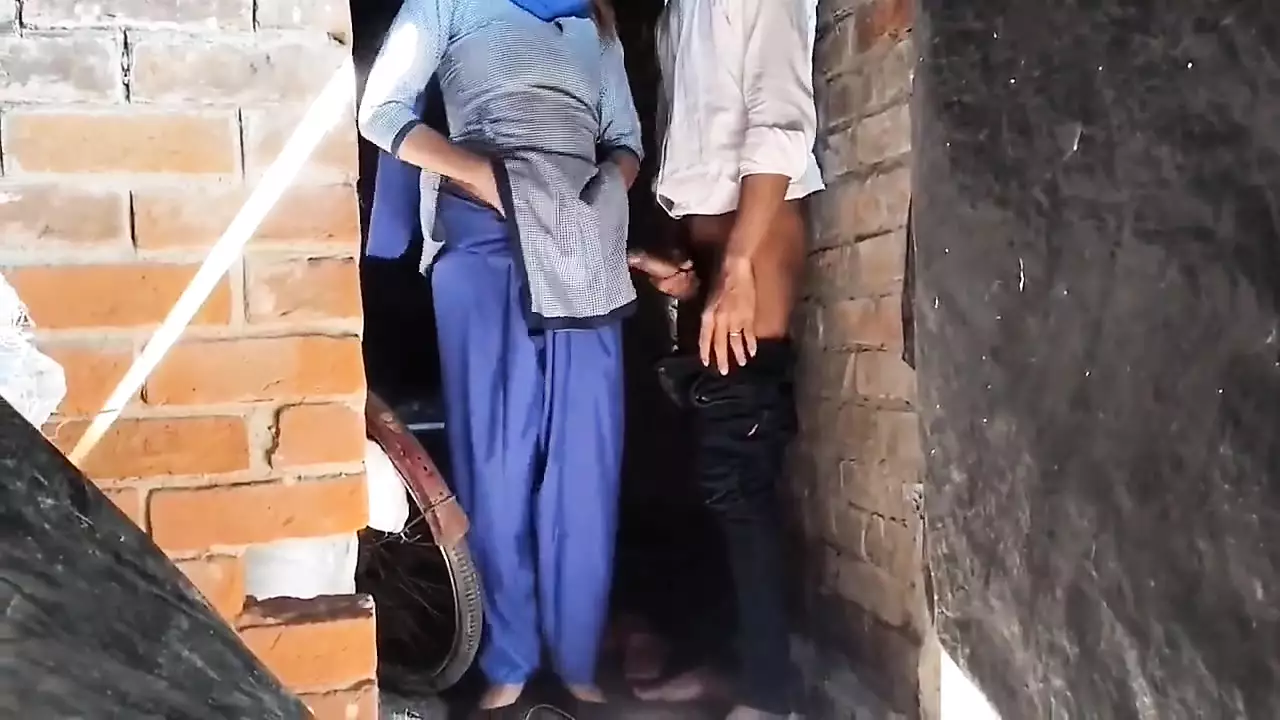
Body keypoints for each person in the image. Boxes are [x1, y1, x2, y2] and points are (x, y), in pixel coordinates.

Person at [357, 0, 643, 716]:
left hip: (582, 250)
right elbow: (381, 112)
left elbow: (625, 140)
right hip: (484, 239)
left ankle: (576, 660)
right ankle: (509, 660)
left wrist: (602, 199)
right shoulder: (447, 5)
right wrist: (486, 179)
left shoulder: (598, 21)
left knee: (584, 462)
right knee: (499, 460)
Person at [626, 0, 825, 717]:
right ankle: (724, 663)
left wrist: (738, 266)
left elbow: (781, 126)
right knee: (708, 473)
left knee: (737, 474)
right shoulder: (675, 13)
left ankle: (769, 697)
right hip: (710, 248)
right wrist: (694, 267)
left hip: (754, 244)